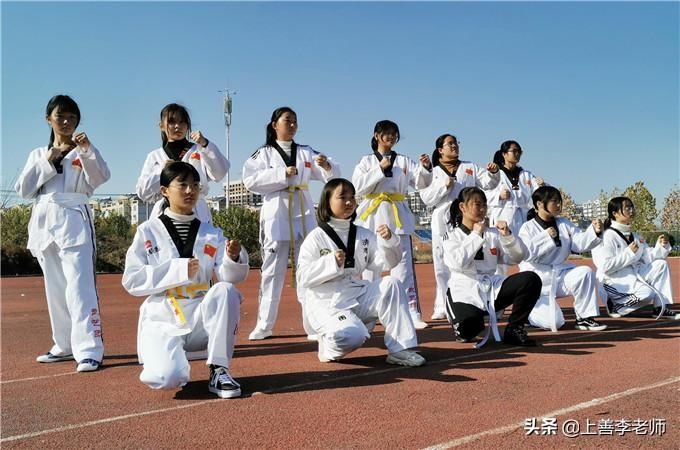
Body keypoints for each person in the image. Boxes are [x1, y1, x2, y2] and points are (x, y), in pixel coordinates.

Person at [123, 162, 249, 399]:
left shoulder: (211, 233)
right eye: (182, 185)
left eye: (195, 185)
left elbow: (230, 276)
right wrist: (177, 270)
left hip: (201, 313)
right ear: (164, 191)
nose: (190, 191)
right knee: (165, 378)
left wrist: (232, 258)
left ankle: (219, 369)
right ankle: (173, 363)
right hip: (165, 315)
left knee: (225, 290)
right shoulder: (148, 231)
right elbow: (132, 280)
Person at [15, 94, 110, 372]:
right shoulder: (38, 154)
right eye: (60, 116)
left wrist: (88, 150)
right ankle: (64, 344)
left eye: (72, 117)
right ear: (49, 119)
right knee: (55, 289)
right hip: (45, 224)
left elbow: (101, 177)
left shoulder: (84, 152)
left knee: (80, 287)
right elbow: (24, 190)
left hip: (74, 219)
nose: (66, 122)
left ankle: (89, 349)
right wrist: (49, 159)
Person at [297, 178, 426, 366]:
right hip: (326, 302)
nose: (349, 202)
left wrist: (389, 242)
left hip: (354, 293)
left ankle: (400, 349)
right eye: (342, 197)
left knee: (391, 284)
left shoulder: (363, 234)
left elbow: (387, 263)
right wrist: (330, 262)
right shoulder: (316, 238)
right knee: (353, 336)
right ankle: (328, 344)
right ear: (327, 202)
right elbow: (303, 277)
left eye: (352, 197)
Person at [242, 106, 341, 340]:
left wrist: (327, 166)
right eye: (288, 120)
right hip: (276, 213)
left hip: (303, 213)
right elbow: (249, 180)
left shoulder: (306, 151)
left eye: (295, 121)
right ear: (274, 125)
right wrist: (281, 174)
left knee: (309, 268)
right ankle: (264, 325)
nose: (293, 125)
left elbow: (331, 174)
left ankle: (314, 324)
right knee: (272, 272)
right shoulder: (264, 153)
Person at [352, 120, 433, 329]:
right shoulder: (366, 161)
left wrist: (426, 168)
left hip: (398, 215)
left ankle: (410, 312)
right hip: (372, 215)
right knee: (370, 266)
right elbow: (358, 186)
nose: (390, 137)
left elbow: (421, 182)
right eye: (386, 133)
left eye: (394, 133)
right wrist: (379, 169)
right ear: (376, 135)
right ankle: (370, 314)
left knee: (403, 266)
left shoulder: (404, 161)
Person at [442, 187, 541, 347]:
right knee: (469, 330)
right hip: (464, 288)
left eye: (484, 205)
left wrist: (508, 237)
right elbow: (458, 262)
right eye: (477, 205)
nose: (482, 209)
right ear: (462, 207)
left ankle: (515, 328)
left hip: (490, 286)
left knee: (530, 279)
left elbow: (516, 258)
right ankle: (464, 319)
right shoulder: (452, 236)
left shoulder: (493, 234)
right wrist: (476, 235)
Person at [418, 134, 499, 320]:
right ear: (440, 150)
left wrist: (494, 173)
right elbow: (426, 198)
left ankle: (473, 300)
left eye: (456, 143)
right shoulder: (433, 172)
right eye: (450, 143)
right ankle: (442, 304)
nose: (454, 146)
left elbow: (489, 183)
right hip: (442, 217)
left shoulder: (469, 167)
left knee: (469, 258)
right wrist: (444, 187)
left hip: (466, 218)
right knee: (441, 263)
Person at [518, 186, 607, 332]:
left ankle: (584, 318)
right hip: (537, 282)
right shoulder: (527, 228)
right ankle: (528, 313)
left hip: (559, 275)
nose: (559, 205)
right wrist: (546, 237)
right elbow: (528, 253)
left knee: (585, 272)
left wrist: (595, 232)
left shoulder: (564, 223)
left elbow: (579, 243)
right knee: (556, 322)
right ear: (539, 204)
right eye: (554, 201)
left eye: (559, 201)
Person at [136, 103, 229, 223]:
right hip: (165, 213)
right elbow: (143, 192)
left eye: (182, 122)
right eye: (172, 122)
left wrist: (205, 144)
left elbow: (220, 173)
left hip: (196, 212)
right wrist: (162, 171)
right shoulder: (154, 156)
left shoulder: (199, 150)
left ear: (187, 125)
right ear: (161, 126)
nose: (177, 126)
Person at [592, 197, 679, 320]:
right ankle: (617, 306)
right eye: (627, 208)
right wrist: (628, 253)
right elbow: (605, 266)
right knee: (647, 293)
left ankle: (660, 307)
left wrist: (661, 246)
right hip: (613, 281)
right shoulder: (607, 236)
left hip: (633, 276)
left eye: (632, 207)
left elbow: (647, 257)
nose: (631, 210)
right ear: (615, 213)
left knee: (661, 264)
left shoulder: (635, 236)